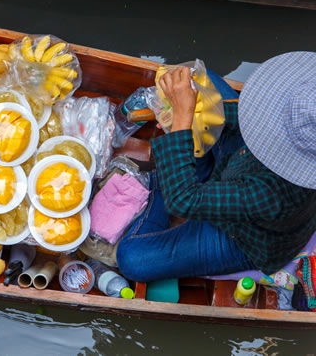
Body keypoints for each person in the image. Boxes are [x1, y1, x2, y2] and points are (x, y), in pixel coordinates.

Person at [117, 52, 316, 282]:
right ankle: (186, 167)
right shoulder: (296, 115)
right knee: (197, 80)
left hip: (241, 235)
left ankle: (162, 182)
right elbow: (239, 117)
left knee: (133, 259)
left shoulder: (273, 195)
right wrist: (193, 112)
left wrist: (182, 120)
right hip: (242, 161)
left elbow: (184, 199)